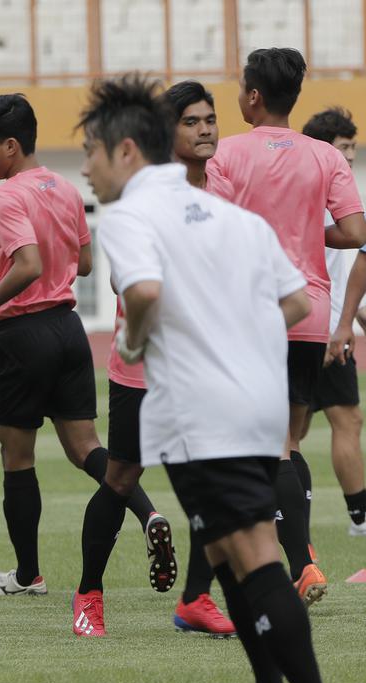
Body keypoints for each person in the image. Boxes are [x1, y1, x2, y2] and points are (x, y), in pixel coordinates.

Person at [87, 72, 333, 683]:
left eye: (91, 152)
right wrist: (235, 336)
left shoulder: (129, 215)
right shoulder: (232, 214)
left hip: (201, 410)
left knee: (256, 558)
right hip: (256, 403)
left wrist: (135, 342)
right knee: (225, 552)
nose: (87, 168)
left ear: (126, 150)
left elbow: (143, 292)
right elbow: (296, 302)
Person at [0, 93, 172, 602]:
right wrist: (2, 254)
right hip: (68, 331)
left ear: (10, 146)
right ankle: (148, 513)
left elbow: (28, 265)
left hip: (22, 336)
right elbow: (84, 265)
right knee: (86, 448)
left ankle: (28, 575)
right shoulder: (66, 188)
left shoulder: (5, 197)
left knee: (17, 457)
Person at [70, 81, 236, 638]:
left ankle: (197, 599)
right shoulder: (137, 197)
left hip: (203, 365)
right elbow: (127, 283)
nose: (205, 130)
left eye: (210, 119)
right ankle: (89, 595)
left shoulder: (224, 188)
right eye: (191, 122)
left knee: (214, 483)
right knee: (120, 478)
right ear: (166, 133)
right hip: (142, 369)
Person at [207, 47, 366, 605]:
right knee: (290, 441)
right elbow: (354, 232)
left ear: (253, 95)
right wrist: (303, 230)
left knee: (260, 446)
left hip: (252, 311)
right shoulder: (325, 156)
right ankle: (303, 556)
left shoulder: (226, 153)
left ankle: (297, 564)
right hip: (310, 311)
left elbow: (214, 229)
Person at [303, 108, 366, 539]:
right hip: (321, 330)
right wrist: (338, 325)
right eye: (344, 148)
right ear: (324, 151)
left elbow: (340, 271)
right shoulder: (324, 201)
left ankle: (357, 516)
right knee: (322, 424)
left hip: (317, 327)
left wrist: (354, 315)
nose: (350, 157)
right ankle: (359, 517)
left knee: (323, 423)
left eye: (353, 148)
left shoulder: (312, 194)